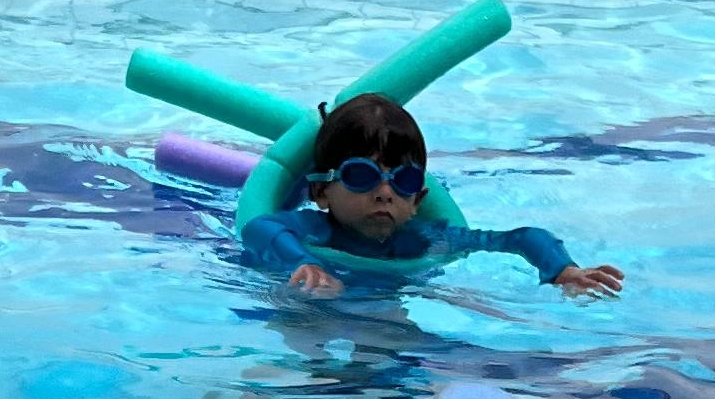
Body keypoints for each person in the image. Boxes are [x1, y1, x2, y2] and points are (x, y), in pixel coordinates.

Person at [238, 94, 624, 300]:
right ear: (322, 192)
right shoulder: (311, 230)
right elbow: (259, 228)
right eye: (362, 176)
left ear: (417, 200)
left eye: (403, 181)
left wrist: (562, 270)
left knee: (397, 347)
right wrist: (304, 263)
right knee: (303, 318)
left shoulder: (427, 240)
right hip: (312, 299)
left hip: (385, 302)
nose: (385, 193)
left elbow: (522, 237)